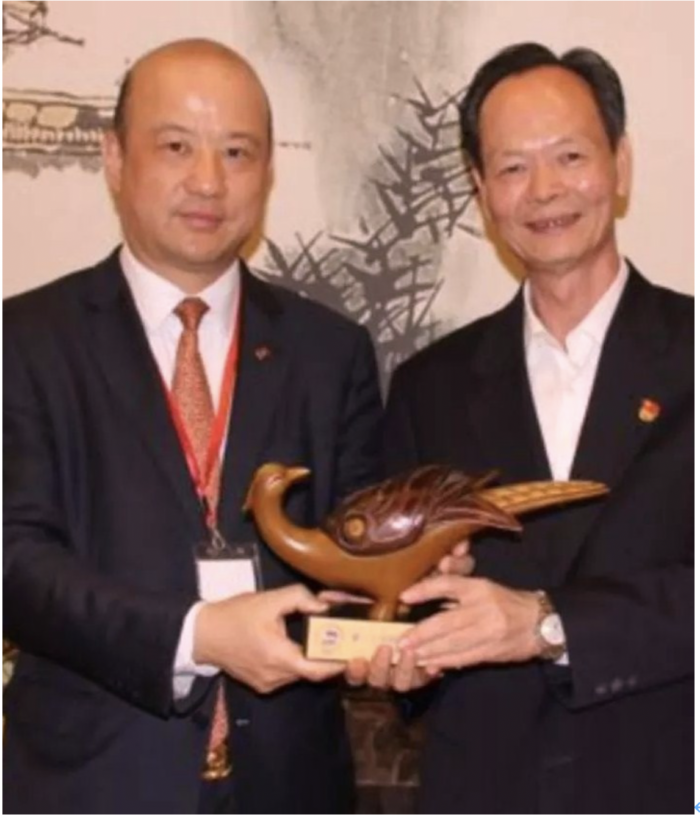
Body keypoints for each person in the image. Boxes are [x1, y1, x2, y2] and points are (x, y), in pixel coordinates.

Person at [3, 39, 382, 814]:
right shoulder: (24, 342)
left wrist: (406, 585)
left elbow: (354, 554)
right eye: (176, 147)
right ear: (115, 158)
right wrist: (196, 635)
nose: (209, 180)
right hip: (92, 785)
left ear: (267, 172)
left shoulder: (330, 351)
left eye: (237, 152)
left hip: (290, 787)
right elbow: (14, 561)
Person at [376, 43, 693, 813]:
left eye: (570, 156)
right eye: (513, 167)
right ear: (481, 190)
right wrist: (404, 655)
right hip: (487, 788)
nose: (544, 189)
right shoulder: (427, 386)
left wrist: (549, 625)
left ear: (620, 165)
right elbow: (404, 611)